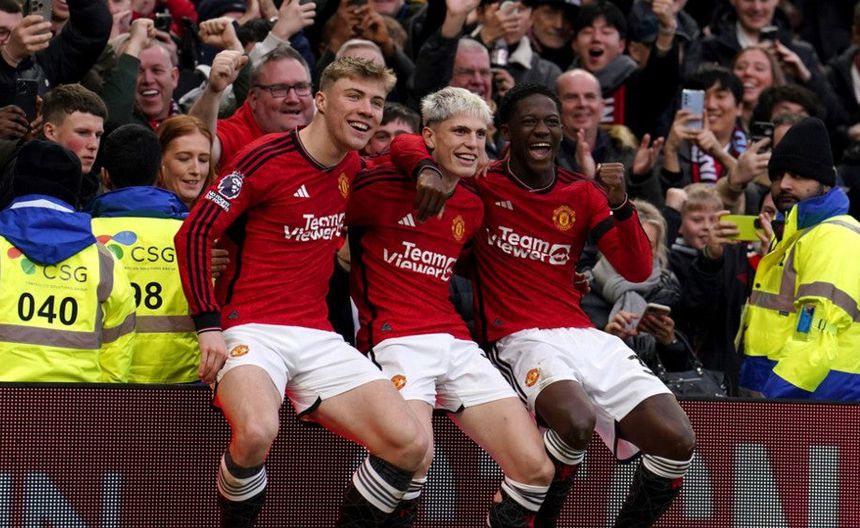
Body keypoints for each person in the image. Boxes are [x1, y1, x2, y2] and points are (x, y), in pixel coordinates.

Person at [390, 82, 695, 527]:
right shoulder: (482, 182)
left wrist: (621, 204)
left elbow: (635, 267)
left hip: (582, 333)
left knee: (679, 440)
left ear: (562, 132)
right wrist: (426, 169)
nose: (541, 130)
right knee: (575, 421)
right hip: (518, 335)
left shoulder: (582, 193)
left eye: (551, 122)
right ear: (506, 132)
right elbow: (404, 142)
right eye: (528, 121)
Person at [174, 57, 440, 527]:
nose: (367, 110)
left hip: (317, 335)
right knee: (257, 430)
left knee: (413, 445)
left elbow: (404, 143)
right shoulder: (263, 157)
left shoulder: (354, 166)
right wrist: (208, 326)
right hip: (250, 328)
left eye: (376, 102)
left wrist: (423, 165)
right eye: (353, 96)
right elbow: (193, 234)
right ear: (320, 101)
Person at [347, 86, 553, 527]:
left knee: (536, 469)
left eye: (479, 134)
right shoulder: (377, 184)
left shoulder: (473, 204)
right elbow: (394, 149)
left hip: (456, 342)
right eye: (459, 131)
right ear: (429, 136)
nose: (471, 143)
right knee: (413, 457)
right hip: (395, 339)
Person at [738, 117, 860, 401]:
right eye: (777, 176)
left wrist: (769, 402)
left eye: (798, 175)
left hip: (818, 404)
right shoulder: (792, 236)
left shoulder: (834, 237)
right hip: (790, 400)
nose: (784, 184)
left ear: (825, 182)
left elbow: (815, 339)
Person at [0, 140, 135, 381]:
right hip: (78, 399)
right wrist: (104, 397)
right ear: (74, 188)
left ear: (15, 182)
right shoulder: (104, 260)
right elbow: (118, 346)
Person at [90, 123, 198, 384]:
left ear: (104, 175)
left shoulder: (85, 236)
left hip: (108, 382)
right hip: (185, 383)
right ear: (160, 172)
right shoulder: (194, 236)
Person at [569, 0, 680, 138]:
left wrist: (666, 31)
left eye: (606, 32)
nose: (596, 38)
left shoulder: (636, 83)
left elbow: (661, 81)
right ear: (574, 44)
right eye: (587, 32)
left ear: (621, 46)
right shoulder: (560, 86)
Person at [190, 45, 313, 168]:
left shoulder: (321, 129)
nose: (293, 99)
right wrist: (213, 91)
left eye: (301, 87)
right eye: (279, 89)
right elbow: (198, 149)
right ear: (254, 99)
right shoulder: (236, 134)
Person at [555, 68, 663, 205]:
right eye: (571, 97)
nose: (582, 104)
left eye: (589, 96)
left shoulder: (625, 153)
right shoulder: (544, 159)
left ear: (602, 107)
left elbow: (651, 214)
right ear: (555, 106)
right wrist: (584, 178)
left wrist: (640, 178)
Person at [0, 83, 107, 210]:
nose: (93, 145)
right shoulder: (17, 180)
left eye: (98, 135)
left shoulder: (93, 189)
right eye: (82, 133)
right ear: (50, 132)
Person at [156, 115, 217, 209]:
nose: (196, 170)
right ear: (160, 160)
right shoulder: (139, 211)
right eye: (184, 158)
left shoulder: (222, 213)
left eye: (203, 160)